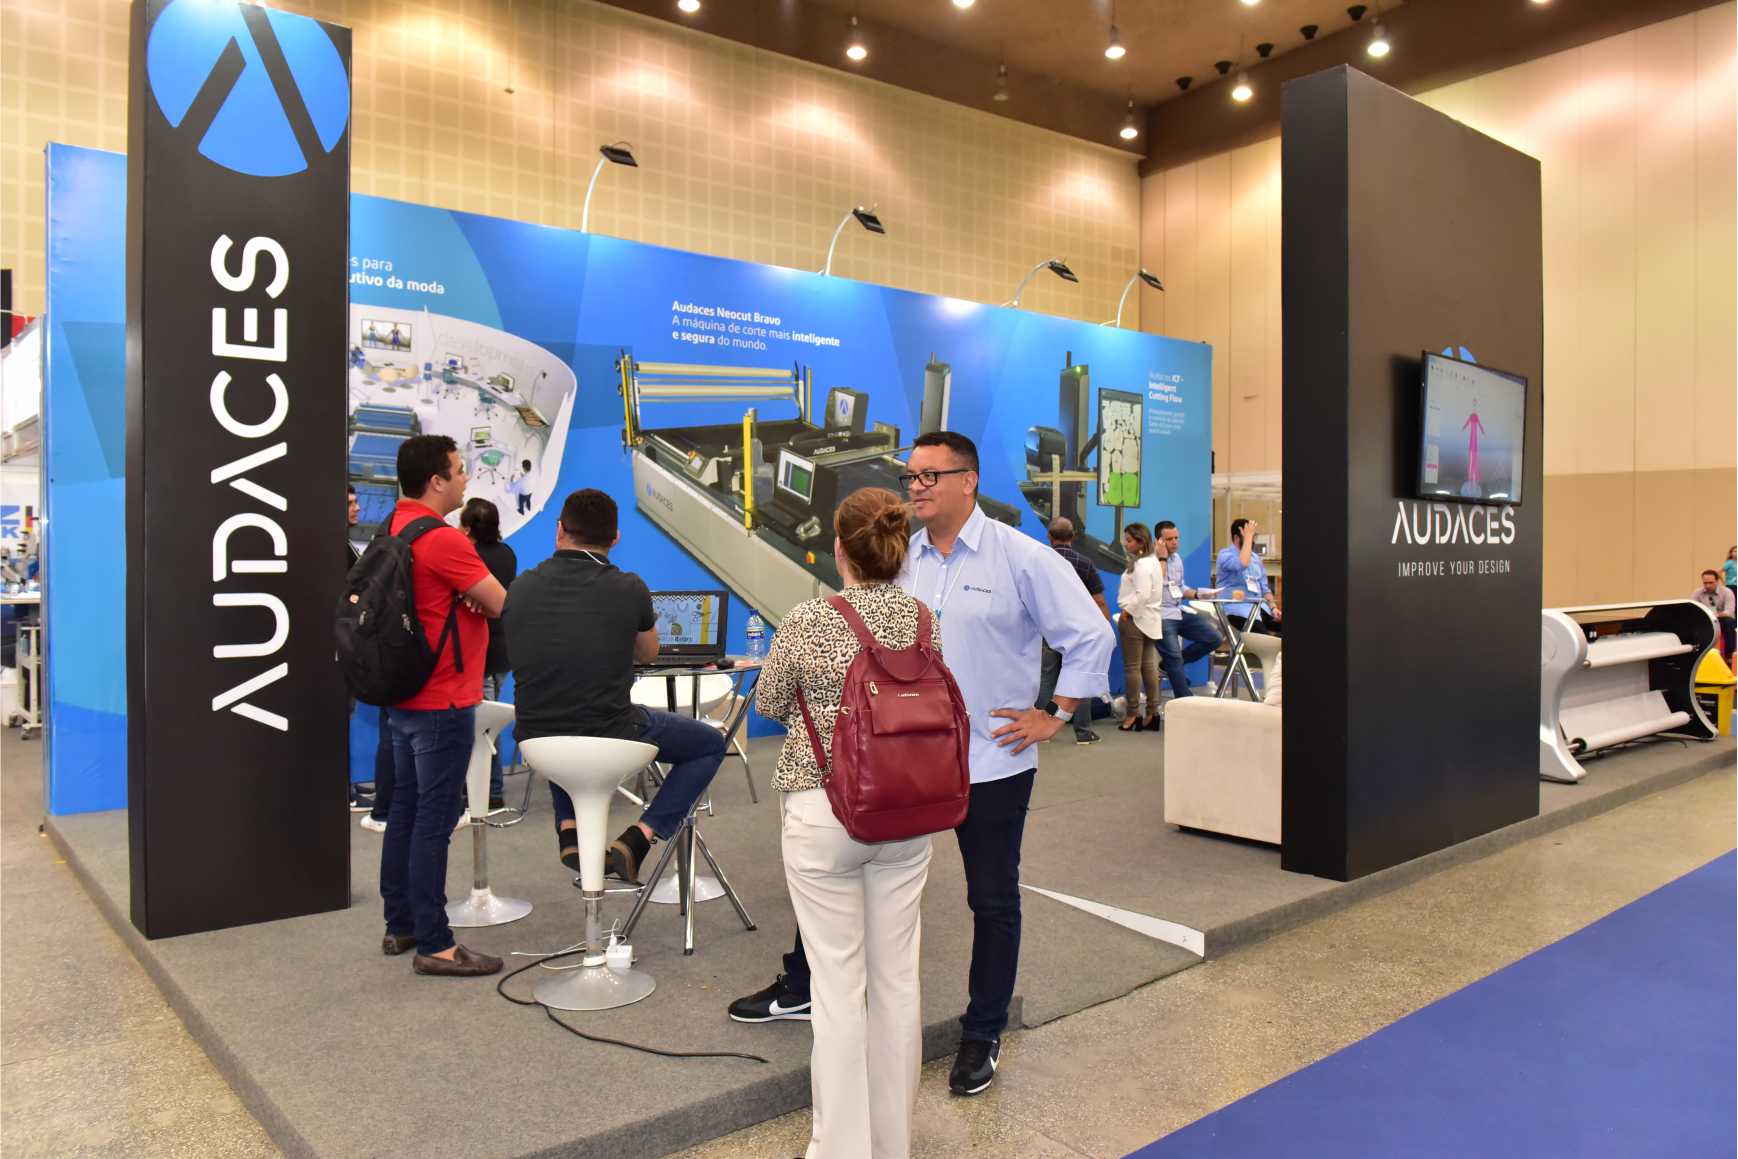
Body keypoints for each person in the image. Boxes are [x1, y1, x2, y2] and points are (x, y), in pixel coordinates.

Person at [727, 431, 1114, 1100]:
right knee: (840, 863)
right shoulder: (900, 559)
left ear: (970, 480)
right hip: (894, 759)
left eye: (931, 475)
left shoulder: (1022, 557)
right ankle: (802, 984)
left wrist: (1055, 712)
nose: (917, 487)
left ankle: (983, 1029)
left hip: (990, 760)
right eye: (911, 476)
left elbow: (1091, 634)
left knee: (991, 897)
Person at [754, 488, 936, 1159]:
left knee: (837, 989)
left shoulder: (808, 619)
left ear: (839, 548)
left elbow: (770, 701)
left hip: (823, 811)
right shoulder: (924, 619)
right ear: (900, 550)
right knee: (897, 983)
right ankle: (892, 1145)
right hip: (907, 810)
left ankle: (840, 1149)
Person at [503, 489, 727, 881]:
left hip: (536, 741)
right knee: (709, 744)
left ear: (559, 530)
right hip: (609, 735)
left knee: (561, 715)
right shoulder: (629, 587)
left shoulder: (519, 587)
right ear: (615, 538)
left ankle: (569, 829)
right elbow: (649, 653)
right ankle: (639, 837)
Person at [378, 434, 508, 977]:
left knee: (406, 811)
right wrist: (470, 597)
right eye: (458, 470)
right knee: (435, 819)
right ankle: (436, 943)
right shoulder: (445, 541)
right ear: (436, 481)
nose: (465, 478)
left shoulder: (393, 527)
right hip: (444, 698)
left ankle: (402, 922)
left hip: (403, 695)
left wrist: (460, 597)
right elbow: (499, 602)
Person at [460, 497, 516, 811]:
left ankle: (487, 789)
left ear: (469, 527)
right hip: (502, 647)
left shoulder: (469, 556)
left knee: (481, 725)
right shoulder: (507, 554)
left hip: (478, 648)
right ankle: (489, 788)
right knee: (488, 723)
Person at [1037, 517, 1110, 745]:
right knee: (1080, 677)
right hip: (1080, 630)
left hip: (1048, 628)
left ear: (1049, 536)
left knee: (1047, 677)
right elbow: (1099, 600)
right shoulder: (1085, 563)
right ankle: (1083, 732)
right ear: (1073, 536)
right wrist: (1104, 626)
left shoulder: (1040, 562)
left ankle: (1043, 729)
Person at [1153, 520, 1222, 701]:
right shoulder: (1149, 561)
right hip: (1160, 615)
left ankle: (1169, 665)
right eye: (1169, 539)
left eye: (1177, 538)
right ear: (1159, 541)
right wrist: (1161, 558)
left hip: (1178, 611)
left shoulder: (1177, 559)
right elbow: (1154, 585)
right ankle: (1185, 700)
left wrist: (1198, 594)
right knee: (1174, 656)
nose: (1175, 542)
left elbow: (1180, 587)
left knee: (1214, 638)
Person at [1115, 523, 1165, 731]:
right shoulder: (1153, 561)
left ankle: (1132, 714)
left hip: (1135, 620)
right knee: (1148, 667)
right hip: (1150, 620)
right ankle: (1153, 713)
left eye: (1128, 540)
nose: (1125, 544)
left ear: (1140, 541)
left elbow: (1142, 594)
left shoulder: (1142, 565)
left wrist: (1127, 612)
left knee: (1132, 668)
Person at [1214, 518, 1280, 636]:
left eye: (1253, 536)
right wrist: (1248, 537)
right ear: (1236, 537)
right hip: (1237, 611)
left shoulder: (1255, 558)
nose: (1253, 540)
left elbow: (1264, 588)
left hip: (1260, 609)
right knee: (1264, 638)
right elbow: (1242, 564)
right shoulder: (1225, 555)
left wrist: (1273, 608)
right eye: (1249, 535)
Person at [1692, 569, 1735, 661]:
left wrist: (1715, 615)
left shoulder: (1727, 592)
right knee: (1692, 624)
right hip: (1705, 620)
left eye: (1711, 583)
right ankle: (1698, 657)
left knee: (1729, 622)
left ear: (1717, 581)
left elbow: (1729, 612)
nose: (1707, 585)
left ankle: (1729, 657)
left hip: (1722, 619)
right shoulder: (1697, 593)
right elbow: (1693, 610)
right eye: (1705, 583)